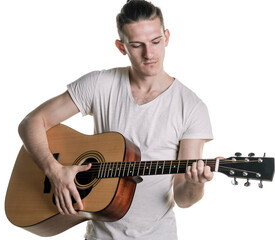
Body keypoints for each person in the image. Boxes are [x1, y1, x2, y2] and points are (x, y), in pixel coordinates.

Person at [18, 0, 214, 239]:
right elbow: (31, 122)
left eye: (155, 41)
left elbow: (184, 198)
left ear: (167, 37)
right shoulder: (99, 84)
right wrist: (54, 170)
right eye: (136, 45)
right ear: (122, 47)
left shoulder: (191, 107)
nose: (149, 53)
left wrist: (196, 183)